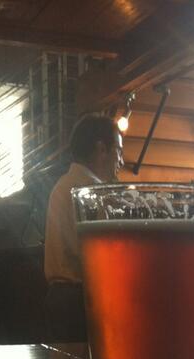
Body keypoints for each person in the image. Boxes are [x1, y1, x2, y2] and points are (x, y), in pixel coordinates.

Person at [44, 113, 123, 341]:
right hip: (80, 301)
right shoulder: (91, 192)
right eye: (118, 151)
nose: (122, 160)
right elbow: (106, 257)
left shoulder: (63, 184)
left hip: (60, 298)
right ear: (101, 149)